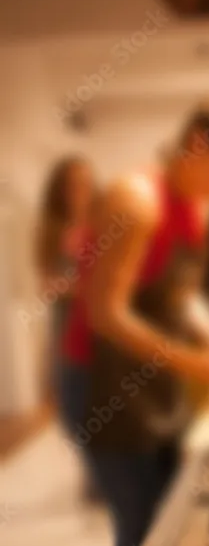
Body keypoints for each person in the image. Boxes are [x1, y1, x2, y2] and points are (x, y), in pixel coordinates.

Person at [61, 103, 209, 546]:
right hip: (102, 381)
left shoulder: (194, 209)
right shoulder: (135, 200)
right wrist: (196, 363)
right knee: (141, 526)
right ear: (196, 144)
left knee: (175, 511)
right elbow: (106, 314)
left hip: (154, 376)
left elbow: (182, 299)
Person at [36, 156, 95, 386]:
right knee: (72, 387)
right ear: (60, 191)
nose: (81, 191)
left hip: (100, 326)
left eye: (87, 184)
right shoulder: (52, 232)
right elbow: (45, 285)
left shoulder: (103, 225)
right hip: (66, 324)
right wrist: (82, 288)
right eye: (73, 185)